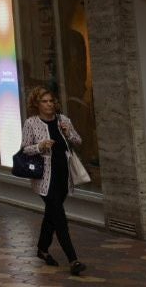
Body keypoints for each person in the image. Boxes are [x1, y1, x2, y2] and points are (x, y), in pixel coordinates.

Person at [22, 86, 87, 277]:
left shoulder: (63, 120)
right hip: (44, 179)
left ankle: (42, 249)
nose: (49, 104)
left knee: (51, 216)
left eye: (51, 101)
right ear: (37, 104)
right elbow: (25, 149)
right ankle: (73, 260)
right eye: (44, 101)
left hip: (64, 177)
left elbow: (78, 141)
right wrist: (40, 146)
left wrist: (68, 133)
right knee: (60, 219)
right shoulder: (31, 123)